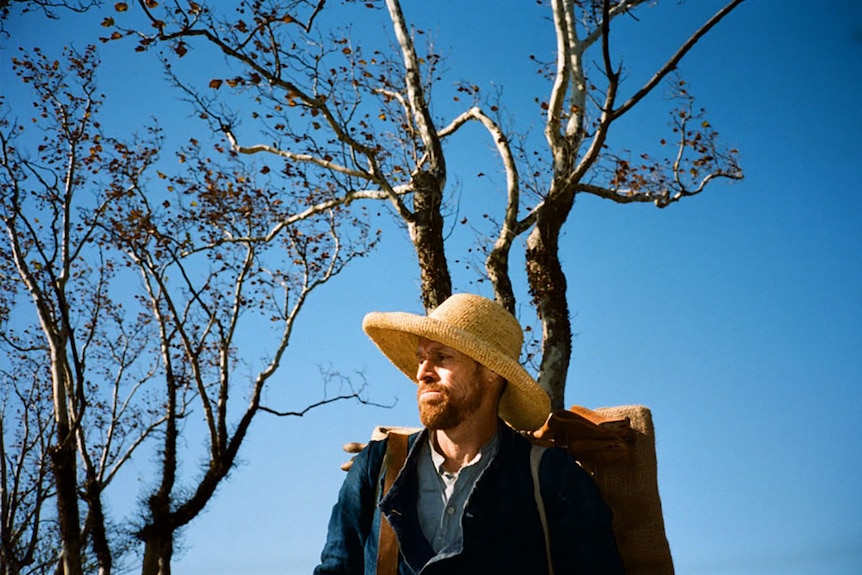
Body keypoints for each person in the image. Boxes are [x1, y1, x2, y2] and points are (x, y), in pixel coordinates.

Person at [314, 293, 623, 574]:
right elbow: (336, 569)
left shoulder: (553, 477)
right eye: (421, 358)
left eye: (442, 357)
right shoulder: (378, 464)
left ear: (490, 371)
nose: (422, 372)